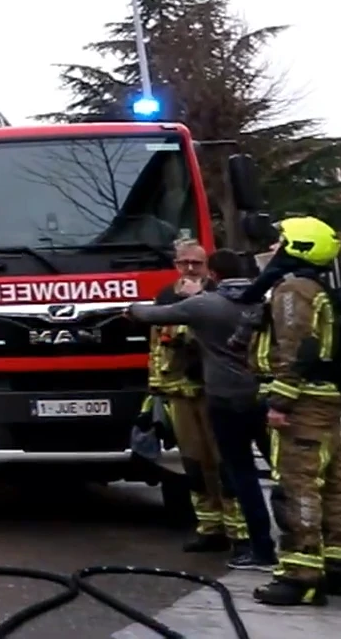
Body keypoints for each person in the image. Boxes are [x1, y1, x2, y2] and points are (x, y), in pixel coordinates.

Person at [245, 217, 341, 607]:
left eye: (280, 241)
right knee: (335, 486)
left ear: (297, 248)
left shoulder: (292, 291)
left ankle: (300, 577)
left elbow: (294, 347)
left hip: (301, 404)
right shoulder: (317, 287)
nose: (273, 247)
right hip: (324, 401)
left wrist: (280, 402)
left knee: (297, 487)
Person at [128, 240, 256, 561]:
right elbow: (158, 347)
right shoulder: (166, 297)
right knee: (195, 465)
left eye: (196, 263)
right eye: (183, 262)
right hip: (179, 394)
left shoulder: (217, 298)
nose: (188, 268)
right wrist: (157, 388)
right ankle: (209, 528)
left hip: (213, 392)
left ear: (208, 268)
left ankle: (239, 533)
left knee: (224, 463)